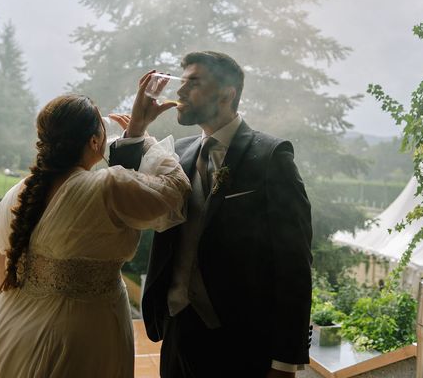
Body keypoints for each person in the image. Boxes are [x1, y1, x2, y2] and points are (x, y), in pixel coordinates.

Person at [0, 71, 190, 378]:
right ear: (95, 141)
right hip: (78, 338)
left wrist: (134, 128)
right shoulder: (107, 188)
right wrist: (144, 139)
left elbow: (0, 270)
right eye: (103, 127)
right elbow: (175, 193)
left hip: (5, 329)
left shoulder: (17, 193)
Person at [114, 51, 313, 377]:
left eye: (193, 82)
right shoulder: (177, 153)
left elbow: (294, 263)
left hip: (241, 343)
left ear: (226, 94)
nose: (179, 91)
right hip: (177, 331)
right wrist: (137, 126)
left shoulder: (271, 156)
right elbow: (123, 195)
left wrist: (285, 360)